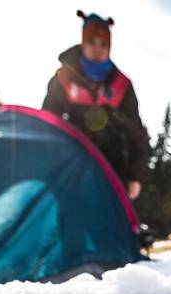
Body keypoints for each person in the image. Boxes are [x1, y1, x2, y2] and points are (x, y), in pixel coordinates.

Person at [42, 11, 149, 200]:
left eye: (104, 44)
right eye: (92, 42)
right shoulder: (64, 78)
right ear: (83, 42)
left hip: (111, 166)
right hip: (70, 162)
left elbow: (135, 131)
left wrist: (135, 176)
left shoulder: (121, 84)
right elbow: (48, 122)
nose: (98, 48)